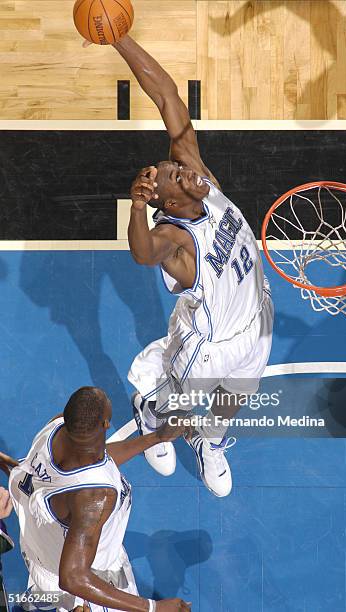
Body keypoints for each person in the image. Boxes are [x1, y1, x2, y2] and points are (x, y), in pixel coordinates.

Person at [107, 35, 274, 498]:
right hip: (209, 341)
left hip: (256, 318)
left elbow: (166, 94)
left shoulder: (202, 181)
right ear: (169, 201)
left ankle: (212, 446)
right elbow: (142, 253)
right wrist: (136, 206)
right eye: (178, 175)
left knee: (234, 398)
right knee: (177, 412)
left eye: (181, 167)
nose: (189, 170)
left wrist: (119, 37)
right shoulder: (176, 241)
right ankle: (151, 410)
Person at [8, 387, 191, 612]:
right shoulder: (95, 498)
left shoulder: (56, 428)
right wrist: (154, 607)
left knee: (47, 589)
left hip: (40, 551)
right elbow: (73, 577)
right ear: (105, 424)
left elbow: (99, 460)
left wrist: (156, 438)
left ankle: (41, 601)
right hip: (85, 582)